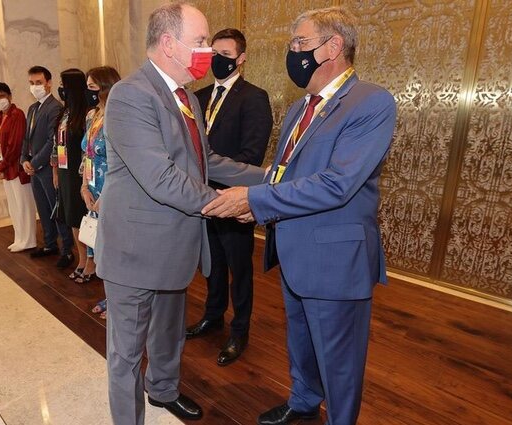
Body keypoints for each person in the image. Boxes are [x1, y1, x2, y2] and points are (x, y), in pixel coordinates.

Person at [202, 6, 397, 425]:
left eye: (300, 44)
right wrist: (208, 163)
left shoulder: (371, 102)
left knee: (339, 359)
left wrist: (253, 201)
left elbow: (337, 183)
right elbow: (278, 175)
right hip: (293, 249)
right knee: (302, 340)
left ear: (333, 46)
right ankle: (304, 400)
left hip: (334, 259)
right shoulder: (299, 108)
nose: (293, 52)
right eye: (292, 44)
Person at [98, 2, 265, 424]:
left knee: (169, 333)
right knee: (127, 354)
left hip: (175, 245)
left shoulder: (185, 95)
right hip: (135, 252)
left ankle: (164, 391)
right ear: (169, 44)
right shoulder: (131, 95)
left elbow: (207, 161)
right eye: (200, 41)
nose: (207, 50)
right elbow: (161, 177)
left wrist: (270, 179)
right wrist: (225, 205)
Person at [187, 28, 273, 366]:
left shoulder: (254, 97)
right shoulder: (199, 96)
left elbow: (251, 154)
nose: (217, 60)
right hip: (201, 198)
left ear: (241, 58)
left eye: (225, 54)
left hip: (234, 199)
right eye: (213, 54)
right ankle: (213, 316)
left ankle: (239, 331)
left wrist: (228, 191)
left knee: (239, 268)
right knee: (212, 263)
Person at [21, 65, 75, 268]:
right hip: (34, 170)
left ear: (48, 83)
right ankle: (50, 244)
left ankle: (67, 249)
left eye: (38, 83)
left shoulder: (55, 107)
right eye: (31, 83)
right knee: (42, 209)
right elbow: (26, 138)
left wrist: (34, 163)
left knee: (56, 210)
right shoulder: (33, 108)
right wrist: (24, 159)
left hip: (46, 169)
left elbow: (53, 141)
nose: (35, 87)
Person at [79, 66, 121, 316]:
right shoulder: (92, 115)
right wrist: (84, 186)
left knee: (113, 248)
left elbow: (120, 160)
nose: (89, 91)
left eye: (93, 86)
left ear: (105, 87)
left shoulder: (118, 116)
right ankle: (108, 296)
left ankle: (118, 301)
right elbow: (88, 154)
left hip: (113, 190)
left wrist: (105, 196)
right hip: (92, 188)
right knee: (100, 248)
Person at [0, 82, 37, 252]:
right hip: (4, 169)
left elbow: (15, 145)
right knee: (13, 206)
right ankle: (19, 238)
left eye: (1, 96)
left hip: (15, 168)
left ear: (9, 96)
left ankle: (29, 239)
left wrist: (1, 166)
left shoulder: (17, 115)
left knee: (24, 205)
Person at [51, 69, 89, 278]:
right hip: (65, 172)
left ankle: (88, 259)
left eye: (62, 84)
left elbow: (87, 148)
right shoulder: (64, 113)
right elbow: (56, 144)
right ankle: (81, 256)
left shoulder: (85, 114)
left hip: (79, 172)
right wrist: (55, 171)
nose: (60, 88)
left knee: (81, 217)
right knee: (71, 217)